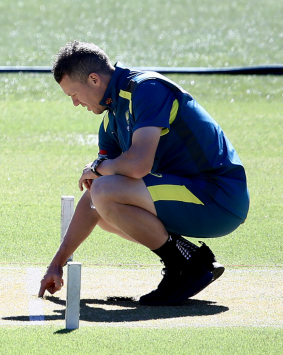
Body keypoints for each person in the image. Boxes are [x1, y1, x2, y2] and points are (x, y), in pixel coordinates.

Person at [40, 41, 249, 305]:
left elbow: (138, 166)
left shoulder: (146, 90)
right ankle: (188, 259)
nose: (74, 103)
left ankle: (186, 267)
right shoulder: (110, 121)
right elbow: (94, 196)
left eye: (73, 94)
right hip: (192, 197)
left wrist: (98, 168)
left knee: (105, 191)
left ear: (94, 79)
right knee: (102, 208)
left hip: (220, 196)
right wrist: (57, 263)